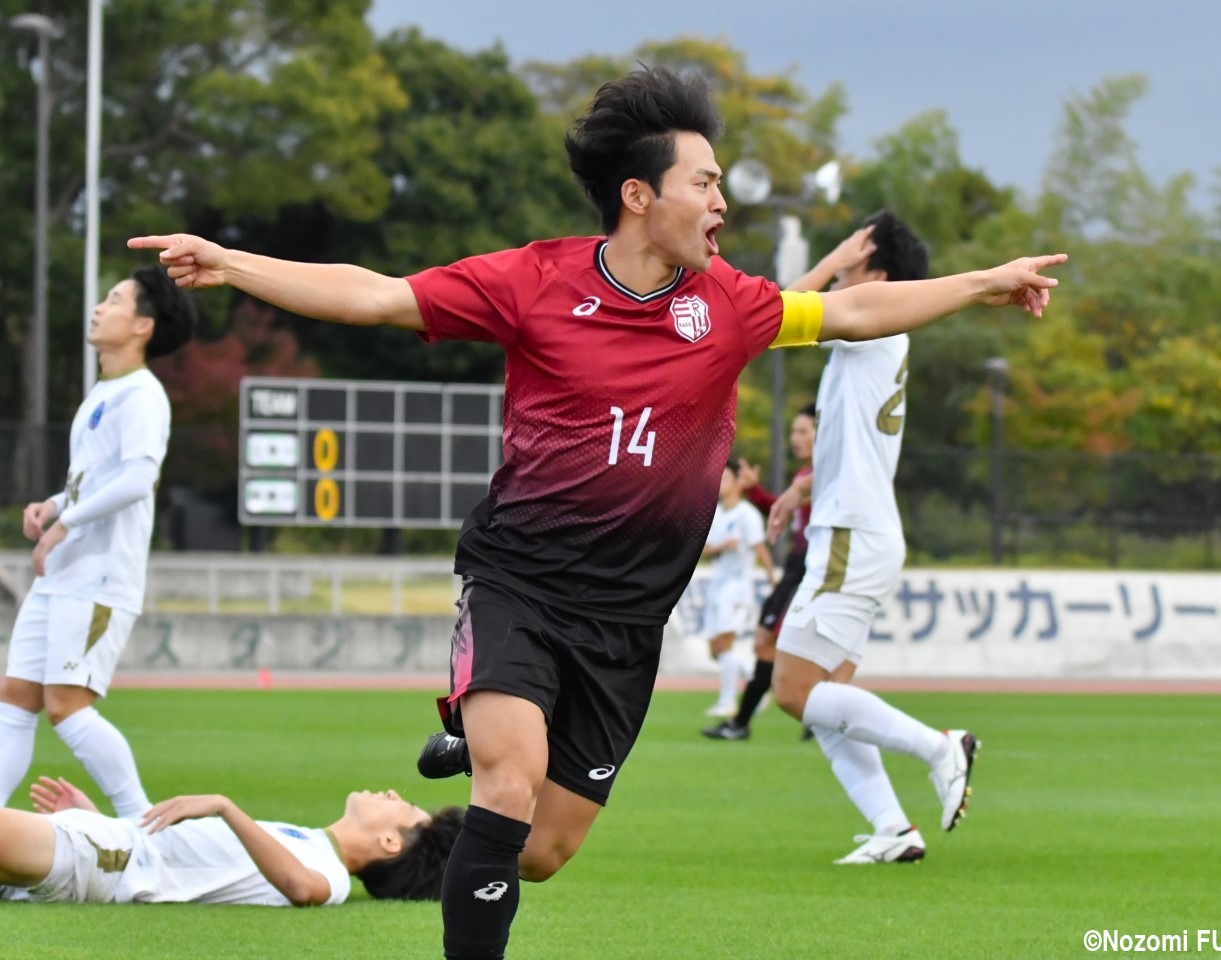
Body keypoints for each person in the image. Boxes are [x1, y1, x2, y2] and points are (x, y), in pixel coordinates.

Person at [129, 67, 1064, 960]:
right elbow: (377, 296)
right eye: (705, 182)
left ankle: (473, 746)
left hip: (626, 625)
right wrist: (232, 262)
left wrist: (985, 281)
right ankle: (488, 747)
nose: (722, 203)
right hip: (520, 585)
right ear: (640, 196)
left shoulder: (729, 304)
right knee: (509, 777)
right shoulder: (534, 281)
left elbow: (859, 315)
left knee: (542, 848)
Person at [767, 211, 978, 866]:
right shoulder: (876, 337)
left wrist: (830, 260)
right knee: (826, 702)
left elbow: (775, 312)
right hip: (862, 527)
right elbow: (850, 437)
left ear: (879, 277)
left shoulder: (873, 319)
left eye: (858, 259)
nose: (844, 269)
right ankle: (893, 828)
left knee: (793, 691)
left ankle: (941, 748)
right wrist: (803, 486)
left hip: (852, 534)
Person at [0, 267, 197, 818]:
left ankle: (144, 827)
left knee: (67, 706)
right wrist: (54, 505)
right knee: (15, 697)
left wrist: (67, 524)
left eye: (113, 300)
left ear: (142, 325)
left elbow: (137, 479)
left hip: (100, 577)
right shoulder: (105, 392)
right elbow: (95, 478)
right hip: (63, 574)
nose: (98, 308)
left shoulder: (143, 396)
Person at [0, 775, 463, 905]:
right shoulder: (303, 838)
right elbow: (191, 859)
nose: (392, 793)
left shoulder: (333, 877)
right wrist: (97, 818)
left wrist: (224, 805)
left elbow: (304, 889)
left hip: (107, 860)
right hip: (106, 847)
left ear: (389, 843)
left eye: (404, 806)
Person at [702, 406, 815, 739]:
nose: (795, 439)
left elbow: (761, 542)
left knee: (772, 643)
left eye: (803, 431)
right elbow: (787, 511)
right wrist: (758, 492)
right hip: (798, 566)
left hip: (812, 566)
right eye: (794, 431)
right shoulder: (804, 478)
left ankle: (743, 720)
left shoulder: (829, 474)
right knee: (767, 643)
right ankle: (744, 721)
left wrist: (771, 575)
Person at [700, 457, 775, 718]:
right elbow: (705, 548)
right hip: (717, 586)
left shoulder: (748, 514)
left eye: (725, 478)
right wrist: (722, 546)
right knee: (715, 649)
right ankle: (759, 681)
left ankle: (728, 700)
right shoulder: (716, 513)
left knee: (725, 643)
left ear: (736, 482)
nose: (719, 483)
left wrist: (772, 577)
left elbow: (759, 547)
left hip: (736, 588)